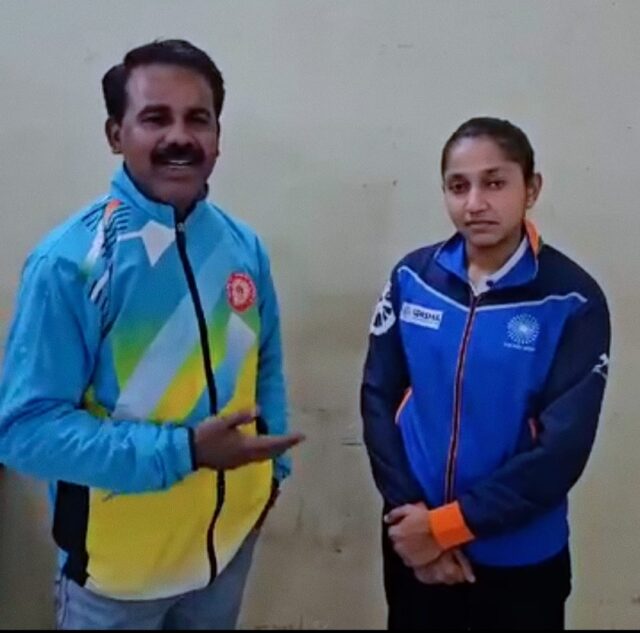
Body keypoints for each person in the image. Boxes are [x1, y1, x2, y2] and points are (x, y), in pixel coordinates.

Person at [0, 39, 304, 630]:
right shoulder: (71, 263)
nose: (179, 137)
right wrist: (184, 453)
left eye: (198, 119)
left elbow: (264, 365)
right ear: (116, 134)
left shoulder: (243, 246)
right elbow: (25, 431)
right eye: (155, 118)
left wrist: (271, 476)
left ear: (218, 135)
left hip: (225, 557)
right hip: (118, 580)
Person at [361, 117, 611, 630]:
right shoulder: (413, 278)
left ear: (531, 188)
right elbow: (378, 398)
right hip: (413, 545)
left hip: (520, 560)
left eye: (494, 183)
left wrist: (446, 528)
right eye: (459, 186)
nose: (475, 203)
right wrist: (414, 526)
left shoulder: (572, 300)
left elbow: (561, 452)